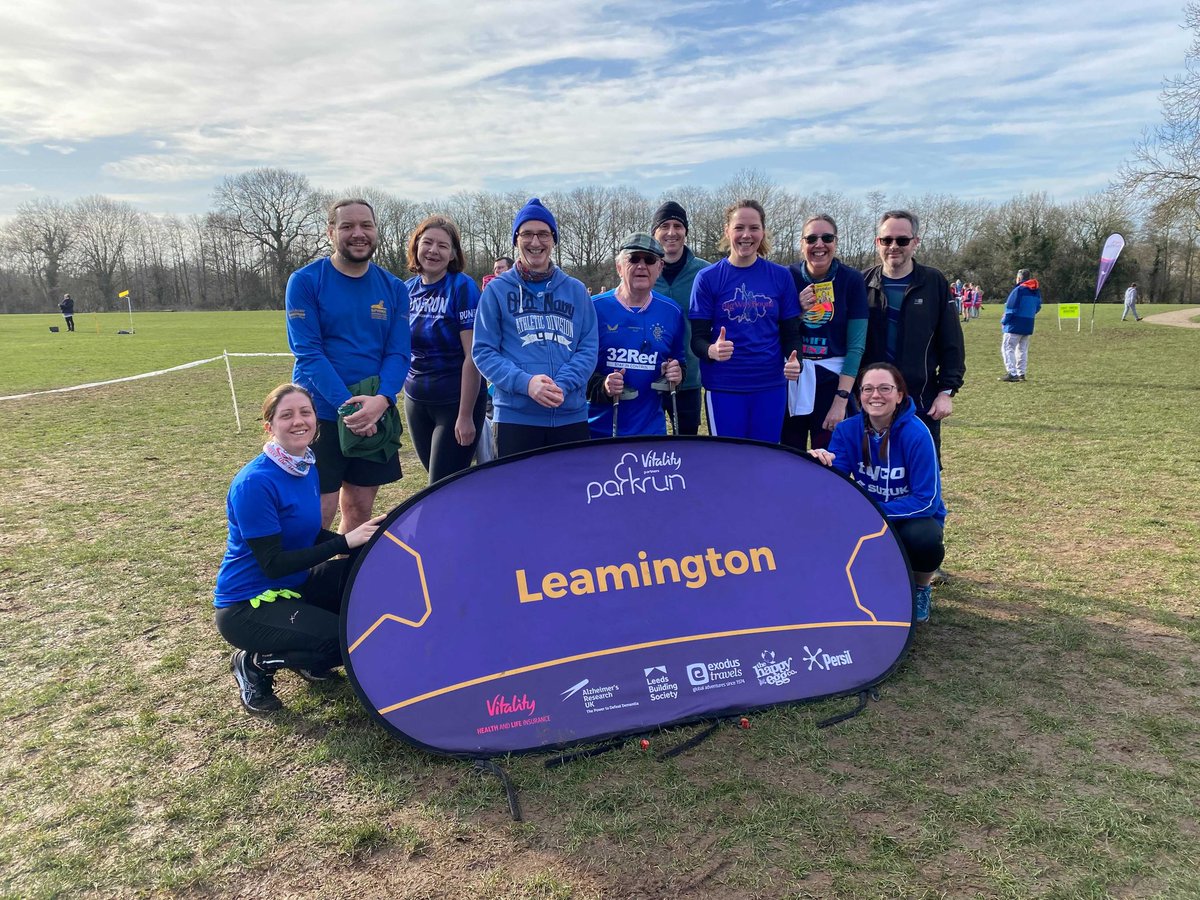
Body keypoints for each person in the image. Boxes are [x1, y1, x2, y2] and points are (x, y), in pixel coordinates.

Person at [214, 384, 385, 714]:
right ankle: (254, 663)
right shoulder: (255, 483)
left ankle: (303, 648)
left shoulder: (305, 466)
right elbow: (273, 564)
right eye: (287, 415)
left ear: (316, 422)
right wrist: (344, 542)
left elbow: (306, 533)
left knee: (364, 577)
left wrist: (368, 540)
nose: (299, 421)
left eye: (306, 413)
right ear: (270, 426)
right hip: (247, 605)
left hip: (294, 585)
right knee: (345, 642)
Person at [285, 199, 411, 533]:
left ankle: (339, 583)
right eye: (347, 226)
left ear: (375, 231)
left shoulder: (394, 288)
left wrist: (382, 400)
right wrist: (349, 409)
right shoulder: (305, 281)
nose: (358, 234)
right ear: (330, 232)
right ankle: (306, 584)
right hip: (322, 415)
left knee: (358, 509)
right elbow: (308, 353)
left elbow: (399, 353)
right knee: (319, 513)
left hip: (375, 413)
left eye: (366, 225)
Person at [808, 363, 945, 624]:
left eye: (885, 388)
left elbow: (927, 501)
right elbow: (834, 484)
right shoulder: (848, 429)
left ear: (900, 395)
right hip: (868, 514)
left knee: (924, 538)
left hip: (908, 519)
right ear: (859, 396)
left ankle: (920, 587)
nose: (876, 395)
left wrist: (871, 512)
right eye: (868, 389)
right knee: (822, 523)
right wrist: (819, 465)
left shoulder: (917, 433)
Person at [472, 197, 598, 457]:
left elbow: (588, 348)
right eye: (527, 234)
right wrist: (527, 383)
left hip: (569, 416)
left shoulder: (575, 290)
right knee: (518, 496)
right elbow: (484, 351)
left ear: (553, 239)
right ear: (516, 240)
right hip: (516, 418)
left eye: (543, 234)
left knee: (569, 494)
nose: (535, 242)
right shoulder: (496, 291)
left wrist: (562, 385)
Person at [689, 199, 803, 441]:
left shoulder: (781, 277)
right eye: (739, 227)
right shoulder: (707, 278)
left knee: (764, 460)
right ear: (727, 231)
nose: (746, 235)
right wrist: (711, 350)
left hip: (770, 386)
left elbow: (791, 334)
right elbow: (696, 340)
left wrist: (796, 362)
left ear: (763, 232)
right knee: (728, 462)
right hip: (724, 387)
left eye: (754, 228)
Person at [860, 210, 965, 463]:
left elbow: (952, 342)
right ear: (878, 243)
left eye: (902, 240)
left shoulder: (934, 281)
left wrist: (946, 392)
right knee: (874, 471)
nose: (894, 246)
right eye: (887, 240)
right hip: (872, 401)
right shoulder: (862, 282)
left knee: (921, 472)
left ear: (915, 242)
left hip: (920, 400)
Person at [403, 215, 485, 484]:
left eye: (442, 245)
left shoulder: (462, 287)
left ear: (453, 254)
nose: (433, 251)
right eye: (427, 243)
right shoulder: (406, 290)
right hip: (416, 401)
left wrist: (465, 416)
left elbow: (472, 355)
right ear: (416, 246)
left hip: (454, 403)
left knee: (440, 486)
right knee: (442, 487)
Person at [781, 214, 868, 451]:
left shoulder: (851, 279)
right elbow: (775, 330)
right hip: (792, 378)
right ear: (802, 244)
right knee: (790, 456)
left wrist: (841, 400)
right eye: (811, 239)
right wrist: (797, 311)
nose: (819, 244)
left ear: (836, 242)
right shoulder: (787, 276)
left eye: (826, 238)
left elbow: (856, 346)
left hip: (833, 381)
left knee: (830, 460)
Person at [588, 233, 685, 437]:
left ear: (659, 268)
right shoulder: (593, 308)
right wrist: (604, 386)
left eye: (649, 260)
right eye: (633, 259)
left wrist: (677, 374)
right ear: (619, 267)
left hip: (650, 433)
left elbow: (678, 363)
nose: (642, 266)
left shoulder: (672, 312)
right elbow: (577, 370)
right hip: (597, 431)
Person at [651, 201, 709, 435]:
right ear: (654, 232)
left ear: (686, 232)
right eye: (665, 226)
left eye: (678, 226)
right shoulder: (642, 270)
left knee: (686, 448)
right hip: (648, 379)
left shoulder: (704, 273)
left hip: (689, 378)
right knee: (646, 448)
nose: (671, 232)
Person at [1000, 269, 1042, 383]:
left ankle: (1012, 373)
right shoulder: (1036, 291)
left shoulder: (1018, 290)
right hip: (1028, 323)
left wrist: (1004, 321)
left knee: (1007, 347)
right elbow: (1038, 307)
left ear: (1019, 278)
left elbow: (1011, 308)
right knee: (1022, 349)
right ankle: (1021, 373)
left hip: (1014, 324)